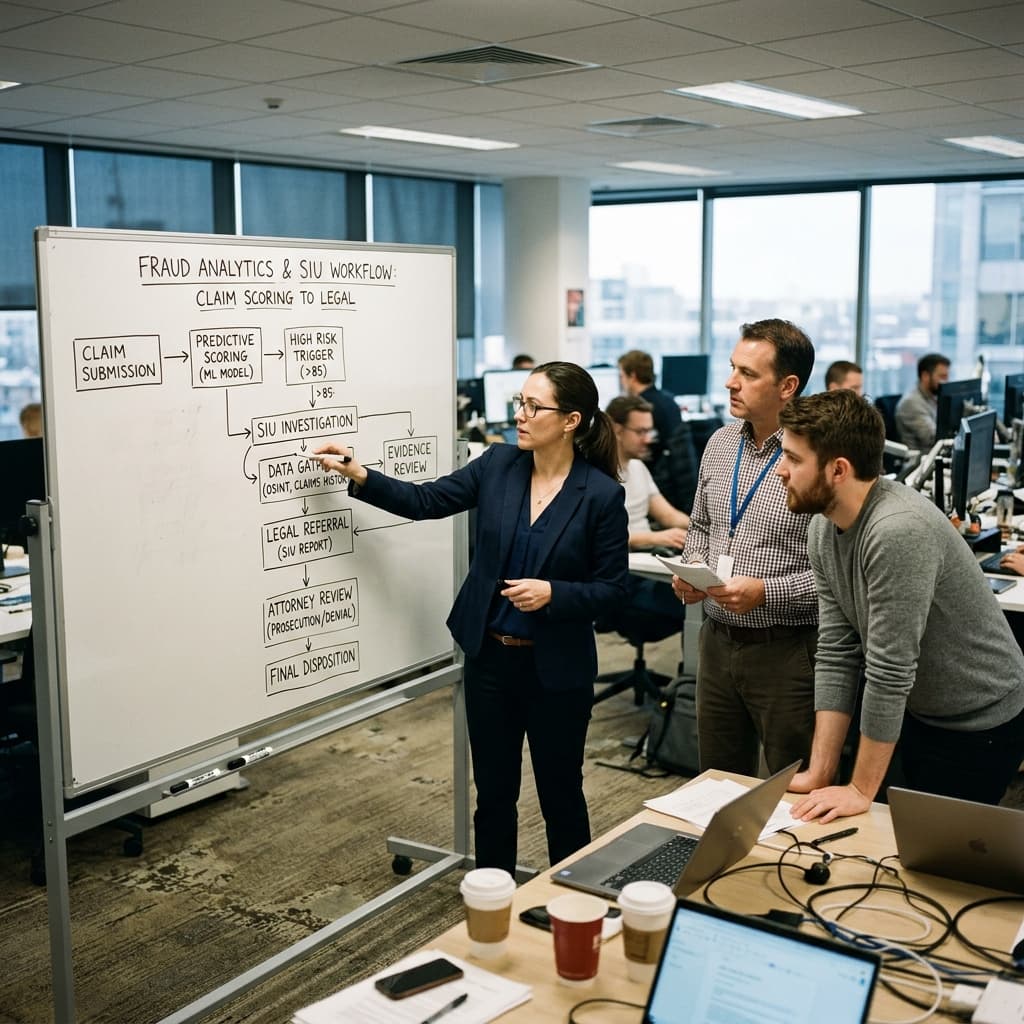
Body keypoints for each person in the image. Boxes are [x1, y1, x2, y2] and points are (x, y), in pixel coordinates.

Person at [314, 362, 628, 875]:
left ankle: (573, 905)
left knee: (561, 797)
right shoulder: (498, 465)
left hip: (556, 672)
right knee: (494, 797)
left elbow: (613, 590)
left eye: (533, 407)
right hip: (491, 664)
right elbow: (426, 500)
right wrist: (359, 473)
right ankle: (493, 904)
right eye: (519, 403)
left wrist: (554, 593)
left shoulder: (600, 495)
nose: (520, 415)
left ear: (571, 421)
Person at [777, 389, 1024, 822]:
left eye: (793, 459)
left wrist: (860, 790)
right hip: (922, 708)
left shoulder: (897, 532)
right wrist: (821, 770)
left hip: (979, 720)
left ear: (838, 470)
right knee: (882, 835)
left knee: (936, 852)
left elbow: (889, 671)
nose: (780, 470)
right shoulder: (823, 526)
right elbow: (837, 650)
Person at [669, 319, 818, 776]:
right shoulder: (719, 443)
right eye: (733, 368)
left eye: (748, 374)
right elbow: (700, 525)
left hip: (786, 650)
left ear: (787, 386)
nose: (730, 382)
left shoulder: (815, 457)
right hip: (716, 641)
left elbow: (839, 578)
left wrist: (766, 592)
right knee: (717, 781)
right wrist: (693, 569)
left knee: (793, 787)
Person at [607, 394, 689, 627]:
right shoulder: (596, 474)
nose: (647, 439)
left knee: (699, 591)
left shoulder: (637, 467)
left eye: (649, 431)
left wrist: (705, 529)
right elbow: (597, 538)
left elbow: (668, 515)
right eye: (640, 432)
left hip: (646, 563)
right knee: (692, 600)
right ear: (617, 430)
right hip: (622, 575)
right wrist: (656, 537)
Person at [617, 350, 681, 468]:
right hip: (674, 469)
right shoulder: (669, 400)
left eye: (622, 376)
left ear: (632, 376)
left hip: (653, 471)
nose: (621, 381)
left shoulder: (640, 409)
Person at [895, 352, 950, 451]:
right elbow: (934, 438)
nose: (946, 381)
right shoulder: (911, 403)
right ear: (925, 376)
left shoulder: (933, 397)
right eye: (942, 377)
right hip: (922, 459)